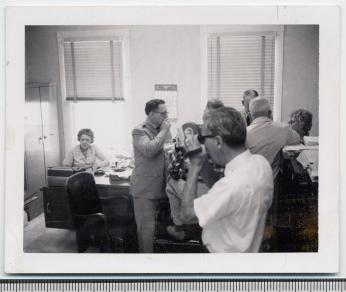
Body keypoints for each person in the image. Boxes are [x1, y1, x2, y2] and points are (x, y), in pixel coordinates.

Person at [180, 107, 273, 252]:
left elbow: (186, 215)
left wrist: (195, 164)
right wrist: (204, 162)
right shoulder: (261, 163)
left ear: (218, 141)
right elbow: (219, 190)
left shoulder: (232, 185)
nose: (203, 144)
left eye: (203, 139)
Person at [130, 99, 171, 253]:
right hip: (145, 189)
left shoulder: (162, 128)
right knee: (146, 233)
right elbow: (149, 150)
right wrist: (164, 131)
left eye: (167, 112)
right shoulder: (139, 130)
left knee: (157, 230)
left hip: (161, 186)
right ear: (152, 114)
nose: (166, 116)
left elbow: (167, 150)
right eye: (163, 113)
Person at [246, 97, 301, 181]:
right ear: (270, 113)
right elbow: (297, 139)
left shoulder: (244, 133)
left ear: (249, 115)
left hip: (248, 182)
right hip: (271, 184)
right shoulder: (283, 128)